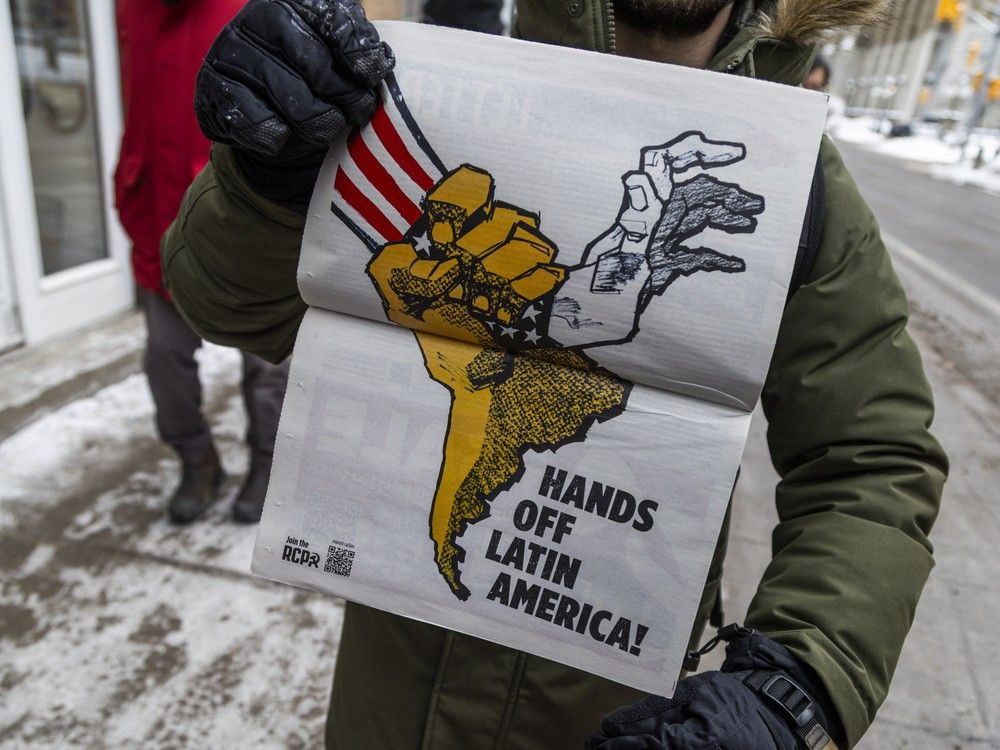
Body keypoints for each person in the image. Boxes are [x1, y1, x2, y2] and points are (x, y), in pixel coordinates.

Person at [162, 0, 948, 747]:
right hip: (391, 697)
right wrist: (264, 182)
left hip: (612, 717)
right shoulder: (419, 90)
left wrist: (797, 686)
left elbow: (872, 461)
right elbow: (224, 308)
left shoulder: (802, 187)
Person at [113, 0, 290, 525]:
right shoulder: (130, 9)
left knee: (267, 367)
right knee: (164, 359)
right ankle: (197, 460)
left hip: (242, 220)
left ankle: (267, 462)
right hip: (156, 216)